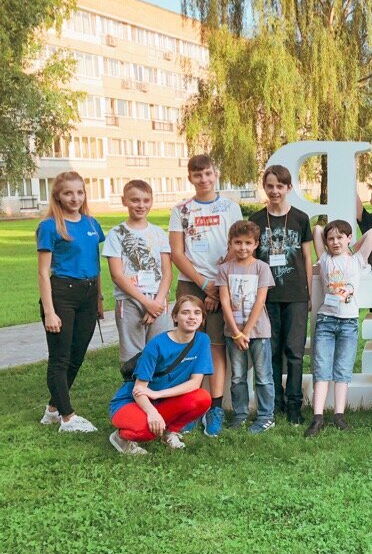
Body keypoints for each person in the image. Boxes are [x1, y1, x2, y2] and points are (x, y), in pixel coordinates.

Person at [169, 153, 243, 437]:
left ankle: (214, 407)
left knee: (215, 347)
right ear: (190, 178)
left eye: (208, 173)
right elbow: (177, 252)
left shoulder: (229, 207)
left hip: (222, 282)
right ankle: (191, 407)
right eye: (197, 175)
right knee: (188, 345)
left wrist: (216, 284)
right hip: (192, 284)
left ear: (216, 174)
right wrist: (204, 284)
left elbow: (235, 246)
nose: (204, 179)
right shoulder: (181, 210)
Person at [36, 171, 105, 433]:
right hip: (61, 293)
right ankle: (68, 417)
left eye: (79, 192)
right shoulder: (50, 226)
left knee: (77, 356)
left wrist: (98, 298)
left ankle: (53, 409)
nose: (74, 198)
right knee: (60, 358)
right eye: (68, 193)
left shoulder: (91, 224)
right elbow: (43, 272)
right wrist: (50, 311)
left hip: (88, 295)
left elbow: (96, 264)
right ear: (58, 195)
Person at [107, 295, 213, 454]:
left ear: (202, 318)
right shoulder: (156, 344)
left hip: (160, 398)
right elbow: (139, 390)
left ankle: (170, 432)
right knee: (146, 431)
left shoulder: (202, 340)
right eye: (185, 312)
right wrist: (152, 412)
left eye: (197, 313)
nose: (192, 317)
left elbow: (194, 384)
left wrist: (158, 394)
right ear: (175, 317)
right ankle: (121, 438)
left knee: (202, 398)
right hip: (132, 401)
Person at [250, 165, 313, 425]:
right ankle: (275, 402)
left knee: (295, 352)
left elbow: (307, 256)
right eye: (270, 185)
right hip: (266, 297)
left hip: (296, 294)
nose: (275, 190)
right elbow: (250, 258)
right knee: (272, 351)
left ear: (289, 188)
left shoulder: (300, 218)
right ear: (264, 187)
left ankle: (295, 404)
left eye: (280, 186)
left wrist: (308, 292)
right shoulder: (255, 220)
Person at [304, 219, 372, 435]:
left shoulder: (357, 260)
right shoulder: (325, 259)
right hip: (326, 320)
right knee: (322, 368)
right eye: (331, 239)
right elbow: (317, 229)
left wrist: (352, 246)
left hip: (348, 322)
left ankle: (339, 415)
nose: (335, 242)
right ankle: (318, 417)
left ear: (349, 238)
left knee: (343, 370)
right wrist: (327, 238)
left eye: (340, 238)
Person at [103, 180, 173, 371]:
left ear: (151, 201)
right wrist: (145, 302)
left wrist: (156, 303)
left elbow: (167, 273)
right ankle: (134, 396)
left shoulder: (159, 233)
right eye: (135, 200)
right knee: (133, 357)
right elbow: (117, 275)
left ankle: (156, 397)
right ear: (124, 201)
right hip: (130, 300)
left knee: (159, 352)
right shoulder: (116, 234)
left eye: (146, 200)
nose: (141, 205)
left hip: (158, 301)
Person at [215, 221, 276, 434]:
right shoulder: (224, 269)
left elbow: (260, 301)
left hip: (258, 332)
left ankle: (266, 416)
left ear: (256, 244)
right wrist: (236, 332)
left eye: (248, 243)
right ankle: (240, 414)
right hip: (233, 333)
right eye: (238, 243)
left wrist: (247, 331)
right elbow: (224, 301)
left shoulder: (262, 268)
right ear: (230, 243)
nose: (242, 247)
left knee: (263, 375)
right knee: (237, 376)